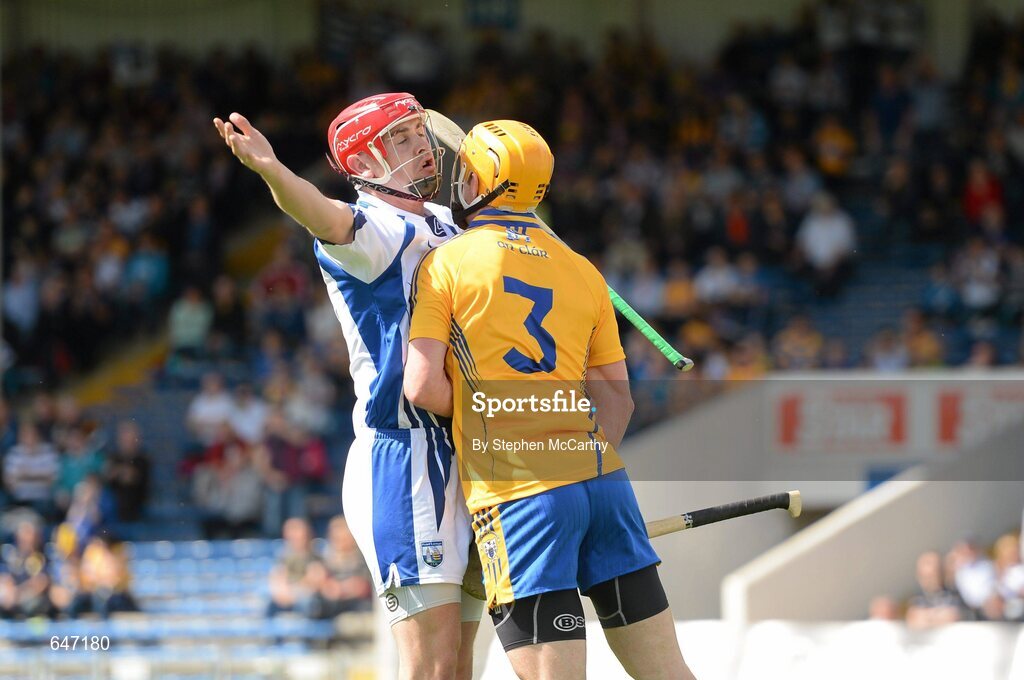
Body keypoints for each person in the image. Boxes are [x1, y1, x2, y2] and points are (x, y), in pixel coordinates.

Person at [404, 120, 695, 679]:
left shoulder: (445, 264)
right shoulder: (582, 269)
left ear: (476, 180)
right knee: (669, 673)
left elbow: (421, 386)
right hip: (603, 486)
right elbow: (618, 400)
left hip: (520, 498)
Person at [214, 93, 480, 680]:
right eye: (403, 138)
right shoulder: (371, 229)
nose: (422, 146)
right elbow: (321, 214)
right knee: (430, 668)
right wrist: (272, 170)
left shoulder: (442, 222)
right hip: (406, 455)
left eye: (419, 132)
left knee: (461, 668)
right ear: (362, 163)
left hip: (461, 444)